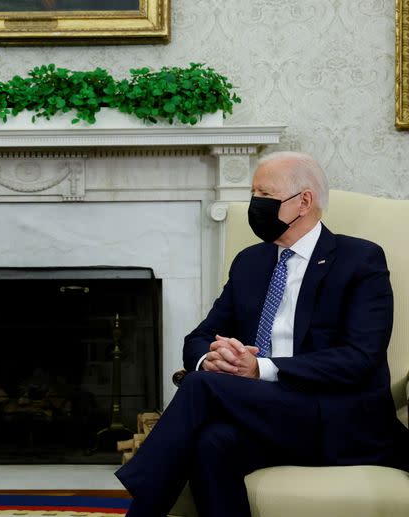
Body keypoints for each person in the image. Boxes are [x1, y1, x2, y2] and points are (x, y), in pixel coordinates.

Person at [115, 151, 409, 517]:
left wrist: (261, 368)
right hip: (264, 415)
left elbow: (359, 359)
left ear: (304, 201)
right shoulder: (250, 262)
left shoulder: (360, 260)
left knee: (199, 386)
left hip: (336, 418)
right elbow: (199, 337)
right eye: (253, 194)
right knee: (211, 443)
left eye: (265, 196)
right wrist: (214, 358)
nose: (254, 205)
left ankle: (140, 508)